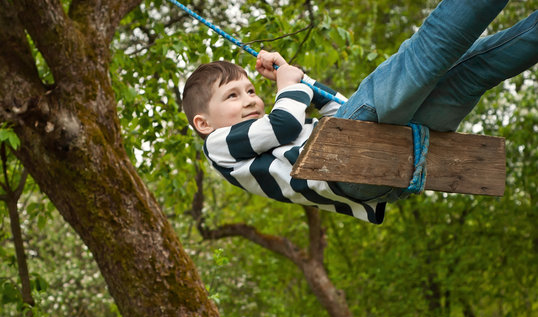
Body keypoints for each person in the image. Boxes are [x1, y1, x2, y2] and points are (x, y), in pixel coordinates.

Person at [182, 0, 537, 224]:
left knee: (472, 71)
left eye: (251, 91)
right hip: (346, 169)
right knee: (429, 51)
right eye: (232, 96)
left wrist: (299, 80)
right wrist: (290, 84)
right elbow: (288, 121)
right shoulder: (218, 145)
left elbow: (343, 108)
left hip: (368, 160)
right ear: (203, 122)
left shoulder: (263, 138)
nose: (249, 100)